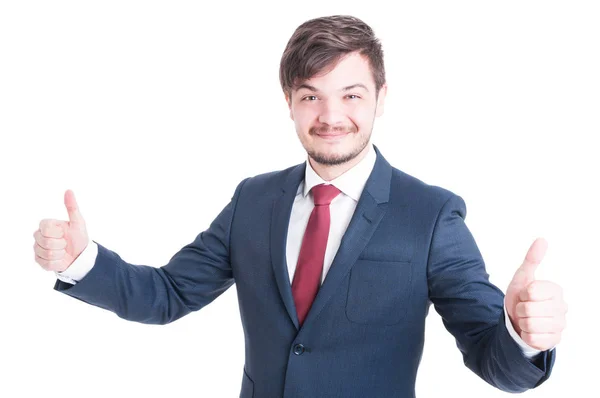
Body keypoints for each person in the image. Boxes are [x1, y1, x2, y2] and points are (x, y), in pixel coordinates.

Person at [33, 15, 567, 398]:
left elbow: (489, 355)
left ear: (382, 97)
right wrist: (82, 261)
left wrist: (522, 338)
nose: (331, 115)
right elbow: (169, 294)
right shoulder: (253, 199)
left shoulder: (430, 216)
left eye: (352, 94)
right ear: (288, 100)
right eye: (311, 95)